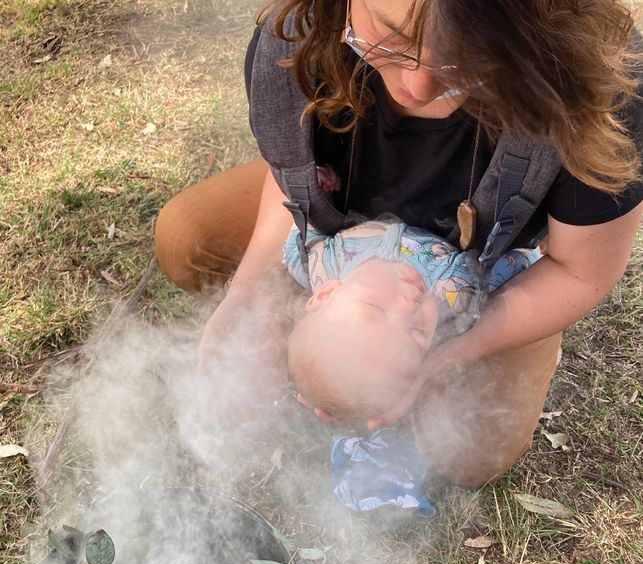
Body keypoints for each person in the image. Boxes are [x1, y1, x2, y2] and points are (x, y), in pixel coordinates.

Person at [154, 0, 642, 487]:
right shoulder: (296, 36)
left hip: (481, 271)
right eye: (391, 36)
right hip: (340, 233)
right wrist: (249, 296)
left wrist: (437, 357)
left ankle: (516, 338)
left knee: (471, 457)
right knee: (186, 238)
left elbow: (581, 271)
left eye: (466, 59)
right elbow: (293, 180)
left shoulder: (609, 86)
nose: (416, 86)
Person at [284, 218, 540, 422]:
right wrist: (526, 255)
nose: (408, 306)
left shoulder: (320, 263)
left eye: (375, 309)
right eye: (417, 332)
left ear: (325, 294)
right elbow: (519, 261)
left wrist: (320, 181)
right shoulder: (455, 291)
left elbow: (300, 227)